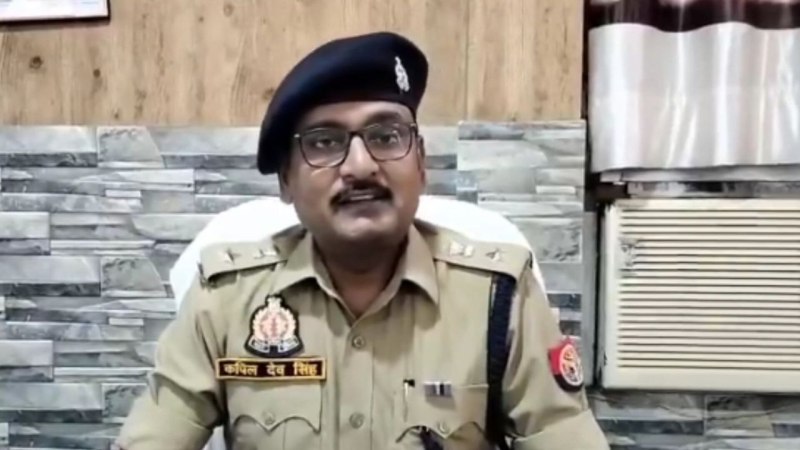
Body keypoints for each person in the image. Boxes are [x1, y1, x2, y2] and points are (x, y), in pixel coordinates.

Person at [114, 31, 609, 450]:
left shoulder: (498, 296)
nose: (360, 166)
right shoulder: (225, 298)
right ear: (286, 181)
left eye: (386, 136)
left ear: (421, 163)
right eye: (324, 142)